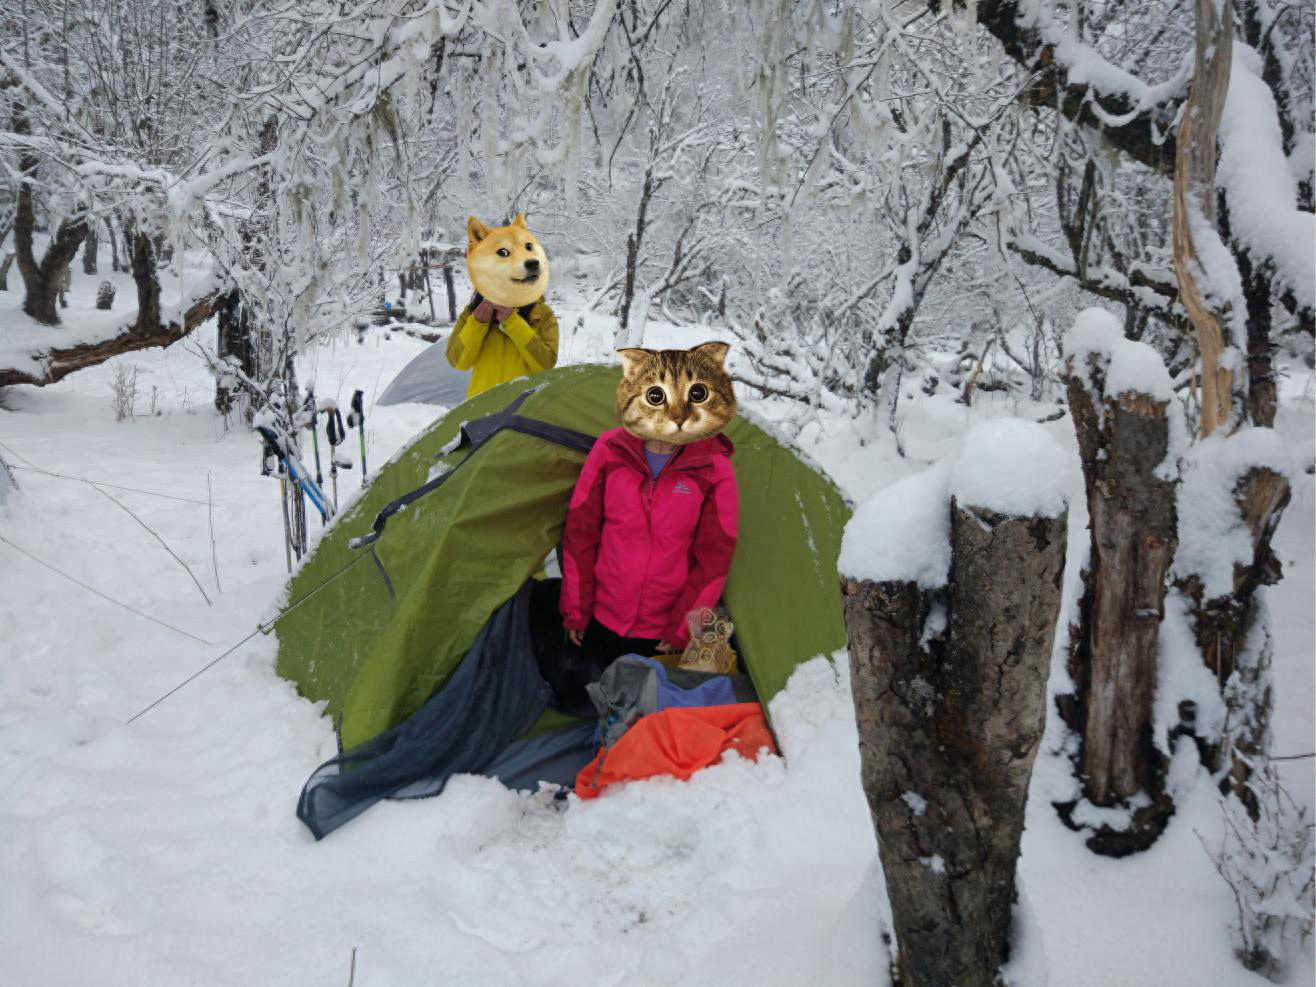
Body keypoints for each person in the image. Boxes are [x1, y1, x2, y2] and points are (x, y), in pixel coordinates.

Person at [559, 342, 739, 674]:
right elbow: (580, 535)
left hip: (662, 631)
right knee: (600, 702)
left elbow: (714, 557)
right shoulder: (610, 449)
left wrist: (683, 627)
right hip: (601, 618)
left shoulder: (714, 467)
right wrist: (576, 610)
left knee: (649, 715)